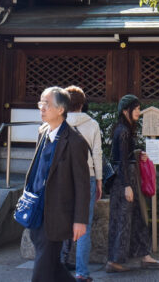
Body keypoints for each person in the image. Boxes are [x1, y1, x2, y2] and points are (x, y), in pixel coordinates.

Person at [25, 86, 90, 282]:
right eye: (40, 103)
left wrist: (80, 220)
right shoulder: (43, 132)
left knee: (42, 270)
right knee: (52, 266)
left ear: (61, 110)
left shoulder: (75, 142)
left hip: (58, 213)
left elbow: (82, 184)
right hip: (36, 210)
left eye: (46, 104)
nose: (41, 108)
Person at [105, 94, 159, 273]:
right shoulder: (123, 131)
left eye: (139, 108)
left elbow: (125, 156)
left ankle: (145, 256)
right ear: (125, 111)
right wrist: (126, 186)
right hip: (125, 181)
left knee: (137, 218)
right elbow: (122, 160)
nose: (139, 111)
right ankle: (115, 260)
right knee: (123, 219)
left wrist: (138, 153)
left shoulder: (124, 129)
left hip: (127, 179)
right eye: (135, 108)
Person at [61, 86, 103, 282]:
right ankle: (81, 272)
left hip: (65, 178)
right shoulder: (92, 124)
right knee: (83, 225)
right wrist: (100, 180)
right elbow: (97, 154)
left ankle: (60, 264)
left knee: (62, 222)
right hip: (88, 177)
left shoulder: (59, 123)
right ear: (82, 104)